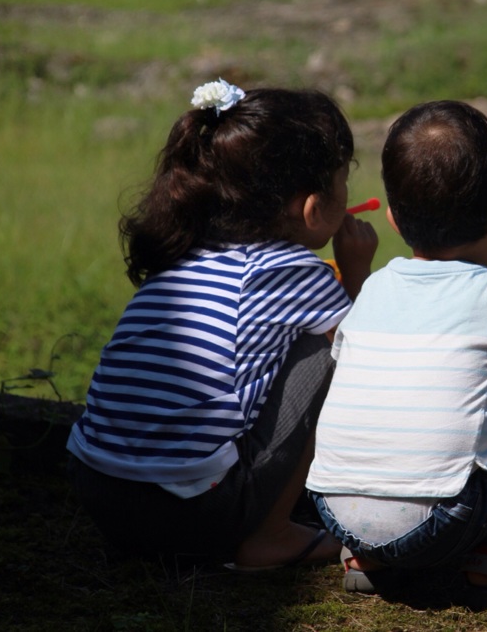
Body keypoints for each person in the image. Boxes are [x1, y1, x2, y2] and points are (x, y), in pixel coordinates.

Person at [66, 79, 378, 571]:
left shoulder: (183, 255)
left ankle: (261, 509)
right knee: (329, 351)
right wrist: (356, 273)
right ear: (313, 207)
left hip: (97, 492)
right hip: (189, 513)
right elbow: (369, 347)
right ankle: (270, 535)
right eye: (343, 179)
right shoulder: (291, 272)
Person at [305, 100, 487, 604]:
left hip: (333, 513)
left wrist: (356, 272)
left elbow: (352, 355)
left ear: (393, 218)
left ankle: (366, 556)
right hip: (440, 522)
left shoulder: (374, 289)